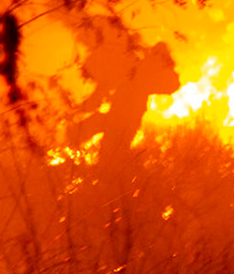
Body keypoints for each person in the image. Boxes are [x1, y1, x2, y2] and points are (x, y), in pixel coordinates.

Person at [71, 23, 183, 176]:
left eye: (158, 54)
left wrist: (159, 64)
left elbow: (172, 84)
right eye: (154, 52)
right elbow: (105, 86)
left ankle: (116, 178)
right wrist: (83, 107)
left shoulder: (151, 74)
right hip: (118, 112)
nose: (153, 54)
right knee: (98, 137)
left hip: (128, 117)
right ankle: (105, 173)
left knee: (113, 153)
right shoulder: (135, 65)